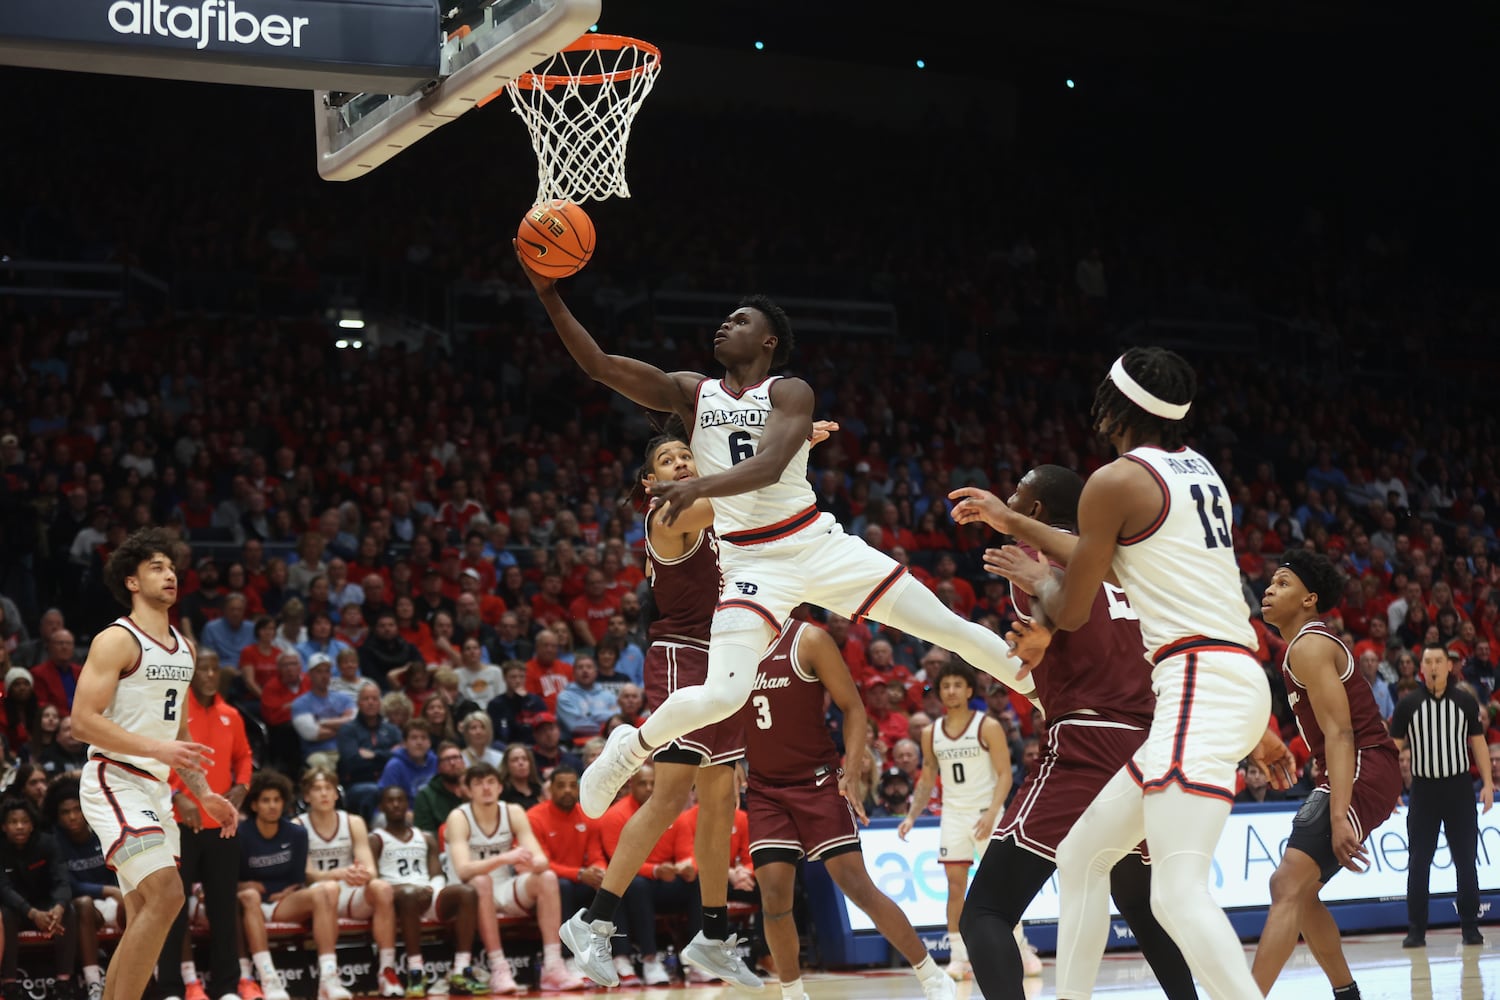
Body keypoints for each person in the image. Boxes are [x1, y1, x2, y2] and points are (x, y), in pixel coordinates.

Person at [513, 262, 1045, 822]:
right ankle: (630, 747)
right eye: (724, 319)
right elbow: (598, 366)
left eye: (738, 320)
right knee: (723, 696)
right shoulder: (692, 393)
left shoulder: (789, 390)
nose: (724, 326)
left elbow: (767, 467)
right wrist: (548, 293)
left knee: (948, 628)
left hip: (817, 544)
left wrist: (700, 484)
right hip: (752, 563)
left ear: (767, 340)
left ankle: (1044, 694)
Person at [977, 349, 1291, 1000]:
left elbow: (1068, 609)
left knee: (1176, 893)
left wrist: (1040, 580)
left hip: (1199, 681)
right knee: (1084, 856)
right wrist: (1016, 523)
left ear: (1115, 407)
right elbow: (1123, 564)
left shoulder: (1114, 482)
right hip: (1218, 679)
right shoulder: (1199, 473)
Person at [563, 429, 829, 991]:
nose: (682, 462)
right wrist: (788, 445)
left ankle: (710, 934)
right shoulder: (669, 511)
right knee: (666, 799)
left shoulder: (710, 513)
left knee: (719, 801)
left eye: (687, 455)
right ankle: (593, 920)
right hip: (683, 660)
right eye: (668, 459)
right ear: (649, 481)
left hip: (724, 661)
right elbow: (747, 492)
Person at [743, 618, 956, 1000]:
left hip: (817, 781)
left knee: (857, 886)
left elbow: (853, 708)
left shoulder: (808, 639)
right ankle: (793, 993)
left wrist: (852, 771)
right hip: (765, 789)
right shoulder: (732, 642)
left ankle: (930, 974)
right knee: (773, 896)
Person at [72, 527, 239, 1000]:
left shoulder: (184, 648)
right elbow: (81, 722)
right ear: (131, 581)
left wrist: (203, 792)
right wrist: (155, 749)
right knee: (168, 895)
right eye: (156, 567)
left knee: (150, 908)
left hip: (157, 790)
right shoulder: (116, 640)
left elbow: (179, 737)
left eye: (171, 567)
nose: (170, 575)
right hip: (115, 779)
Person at [1251, 551, 1403, 998]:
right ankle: (1347, 993)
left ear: (1309, 600)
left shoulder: (1312, 645)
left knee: (1286, 884)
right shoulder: (1300, 646)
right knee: (1300, 891)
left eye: (1282, 583)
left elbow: (1341, 733)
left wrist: (1340, 816)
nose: (1269, 590)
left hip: (1362, 763)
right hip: (1351, 768)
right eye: (1270, 583)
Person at [897, 661, 1011, 983]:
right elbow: (927, 779)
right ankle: (959, 957)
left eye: (957, 685)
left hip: (987, 813)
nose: (950, 691)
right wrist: (911, 816)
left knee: (1002, 888)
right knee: (955, 887)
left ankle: (1019, 946)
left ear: (969, 690)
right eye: (945, 686)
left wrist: (992, 813)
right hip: (954, 817)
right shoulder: (930, 733)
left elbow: (1005, 774)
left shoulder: (987, 726)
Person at [158, 648, 254, 1000]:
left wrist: (243, 786)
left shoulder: (232, 714)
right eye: (203, 669)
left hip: (222, 828)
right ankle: (170, 987)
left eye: (215, 669)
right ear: (190, 674)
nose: (210, 675)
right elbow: (158, 759)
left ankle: (227, 986)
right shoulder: (176, 714)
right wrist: (175, 794)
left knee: (223, 909)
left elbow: (244, 756)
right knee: (173, 909)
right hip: (181, 826)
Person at [442, 763, 584, 993]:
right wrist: (505, 858)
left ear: (500, 786)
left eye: (490, 782)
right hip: (465, 893)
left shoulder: (513, 811)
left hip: (503, 888)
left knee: (547, 877)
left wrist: (533, 863)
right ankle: (499, 968)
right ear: (468, 790)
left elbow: (542, 860)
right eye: (478, 783)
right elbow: (464, 871)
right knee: (481, 881)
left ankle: (553, 966)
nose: (485, 788)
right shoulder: (458, 817)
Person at [1390, 644, 1493, 947]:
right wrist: (1392, 787)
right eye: (1428, 662)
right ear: (1421, 668)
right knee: (1419, 861)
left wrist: (1487, 782)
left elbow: (1478, 744)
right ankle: (1416, 929)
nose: (1433, 666)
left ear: (1449, 666)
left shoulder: (1464, 702)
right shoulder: (1408, 705)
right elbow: (1392, 750)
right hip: (1423, 790)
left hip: (1459, 789)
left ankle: (1470, 926)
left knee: (1465, 860)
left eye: (1438, 661)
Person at [235, 769, 351, 1000]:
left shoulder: (297, 833)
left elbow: (297, 879)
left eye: (277, 800)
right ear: (254, 805)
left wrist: (283, 889)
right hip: (249, 904)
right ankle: (269, 980)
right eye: (266, 800)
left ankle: (329, 979)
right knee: (249, 895)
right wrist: (246, 886)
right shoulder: (240, 833)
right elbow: (232, 878)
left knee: (325, 891)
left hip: (283, 903)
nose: (272, 806)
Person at [295, 768, 400, 997]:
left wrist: (361, 874)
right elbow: (307, 875)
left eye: (328, 788)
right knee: (328, 889)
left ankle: (387, 971)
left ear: (336, 794)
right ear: (306, 796)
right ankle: (328, 976)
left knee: (381, 888)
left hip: (348, 892)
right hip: (317, 895)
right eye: (317, 789)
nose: (323, 794)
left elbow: (371, 869)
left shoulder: (353, 822)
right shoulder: (298, 825)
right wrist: (338, 874)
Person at [369, 785, 481, 998]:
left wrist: (434, 889)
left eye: (400, 800)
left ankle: (461, 969)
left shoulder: (426, 837)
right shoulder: (376, 839)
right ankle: (416, 971)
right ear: (381, 807)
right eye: (390, 801)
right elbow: (376, 880)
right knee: (410, 894)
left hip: (426, 893)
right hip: (397, 897)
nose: (395, 804)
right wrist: (407, 889)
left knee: (468, 892)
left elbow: (437, 872)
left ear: (407, 804)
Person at [0, 798, 78, 999]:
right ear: (4, 826)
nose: (19, 826)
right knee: (4, 916)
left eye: (24, 821)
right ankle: (9, 983)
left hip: (47, 906)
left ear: (32, 824)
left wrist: (58, 907)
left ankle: (64, 982)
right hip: (17, 909)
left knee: (69, 911)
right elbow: (4, 889)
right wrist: (32, 913)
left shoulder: (48, 843)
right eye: (13, 822)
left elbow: (62, 881)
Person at [48, 778, 119, 1000]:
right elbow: (68, 884)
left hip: (113, 900)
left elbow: (119, 869)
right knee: (84, 905)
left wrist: (117, 893)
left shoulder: (103, 831)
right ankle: (94, 984)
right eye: (65, 812)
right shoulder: (55, 842)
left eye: (77, 809)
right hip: (85, 905)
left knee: (134, 903)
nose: (72, 816)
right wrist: (108, 891)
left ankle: (140, 977)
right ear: (57, 817)